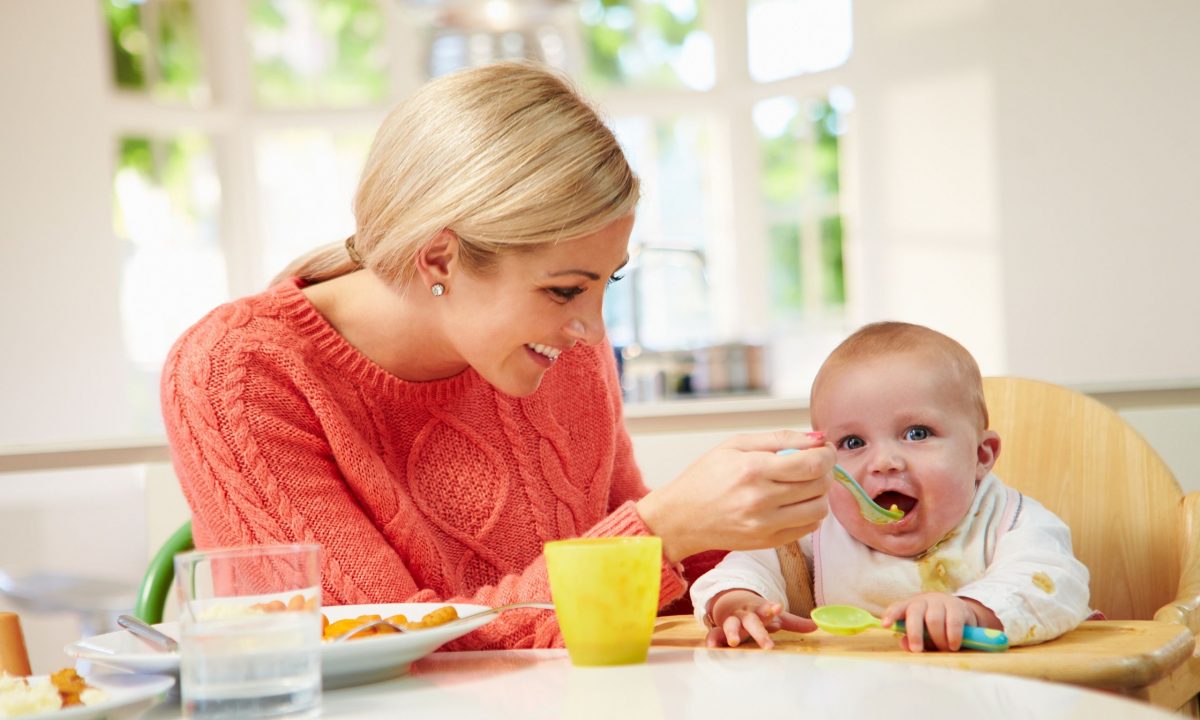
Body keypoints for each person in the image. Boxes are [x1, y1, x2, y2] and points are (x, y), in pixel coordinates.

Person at [160, 61, 835, 650]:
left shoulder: (553, 349)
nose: (591, 331)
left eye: (607, 283)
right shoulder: (237, 374)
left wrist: (751, 561)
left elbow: (641, 589)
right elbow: (369, 644)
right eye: (566, 289)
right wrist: (662, 532)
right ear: (439, 257)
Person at [690, 321, 1092, 652]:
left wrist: (971, 609)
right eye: (852, 443)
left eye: (917, 433)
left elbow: (1053, 583)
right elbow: (746, 565)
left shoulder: (1011, 521)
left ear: (981, 456)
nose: (884, 462)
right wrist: (738, 602)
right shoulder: (817, 526)